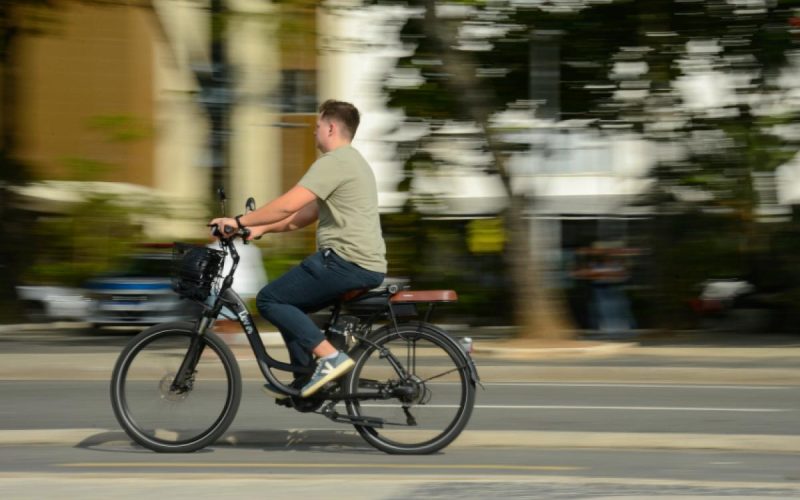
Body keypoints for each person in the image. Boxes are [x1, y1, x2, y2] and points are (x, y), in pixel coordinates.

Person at [210, 99, 387, 397]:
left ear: (331, 128)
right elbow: (302, 216)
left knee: (269, 300)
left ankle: (330, 358)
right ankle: (307, 382)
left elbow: (288, 205)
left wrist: (238, 221)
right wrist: (260, 228)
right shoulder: (354, 163)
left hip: (345, 262)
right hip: (360, 264)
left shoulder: (335, 162)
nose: (314, 133)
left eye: (317, 127)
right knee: (292, 307)